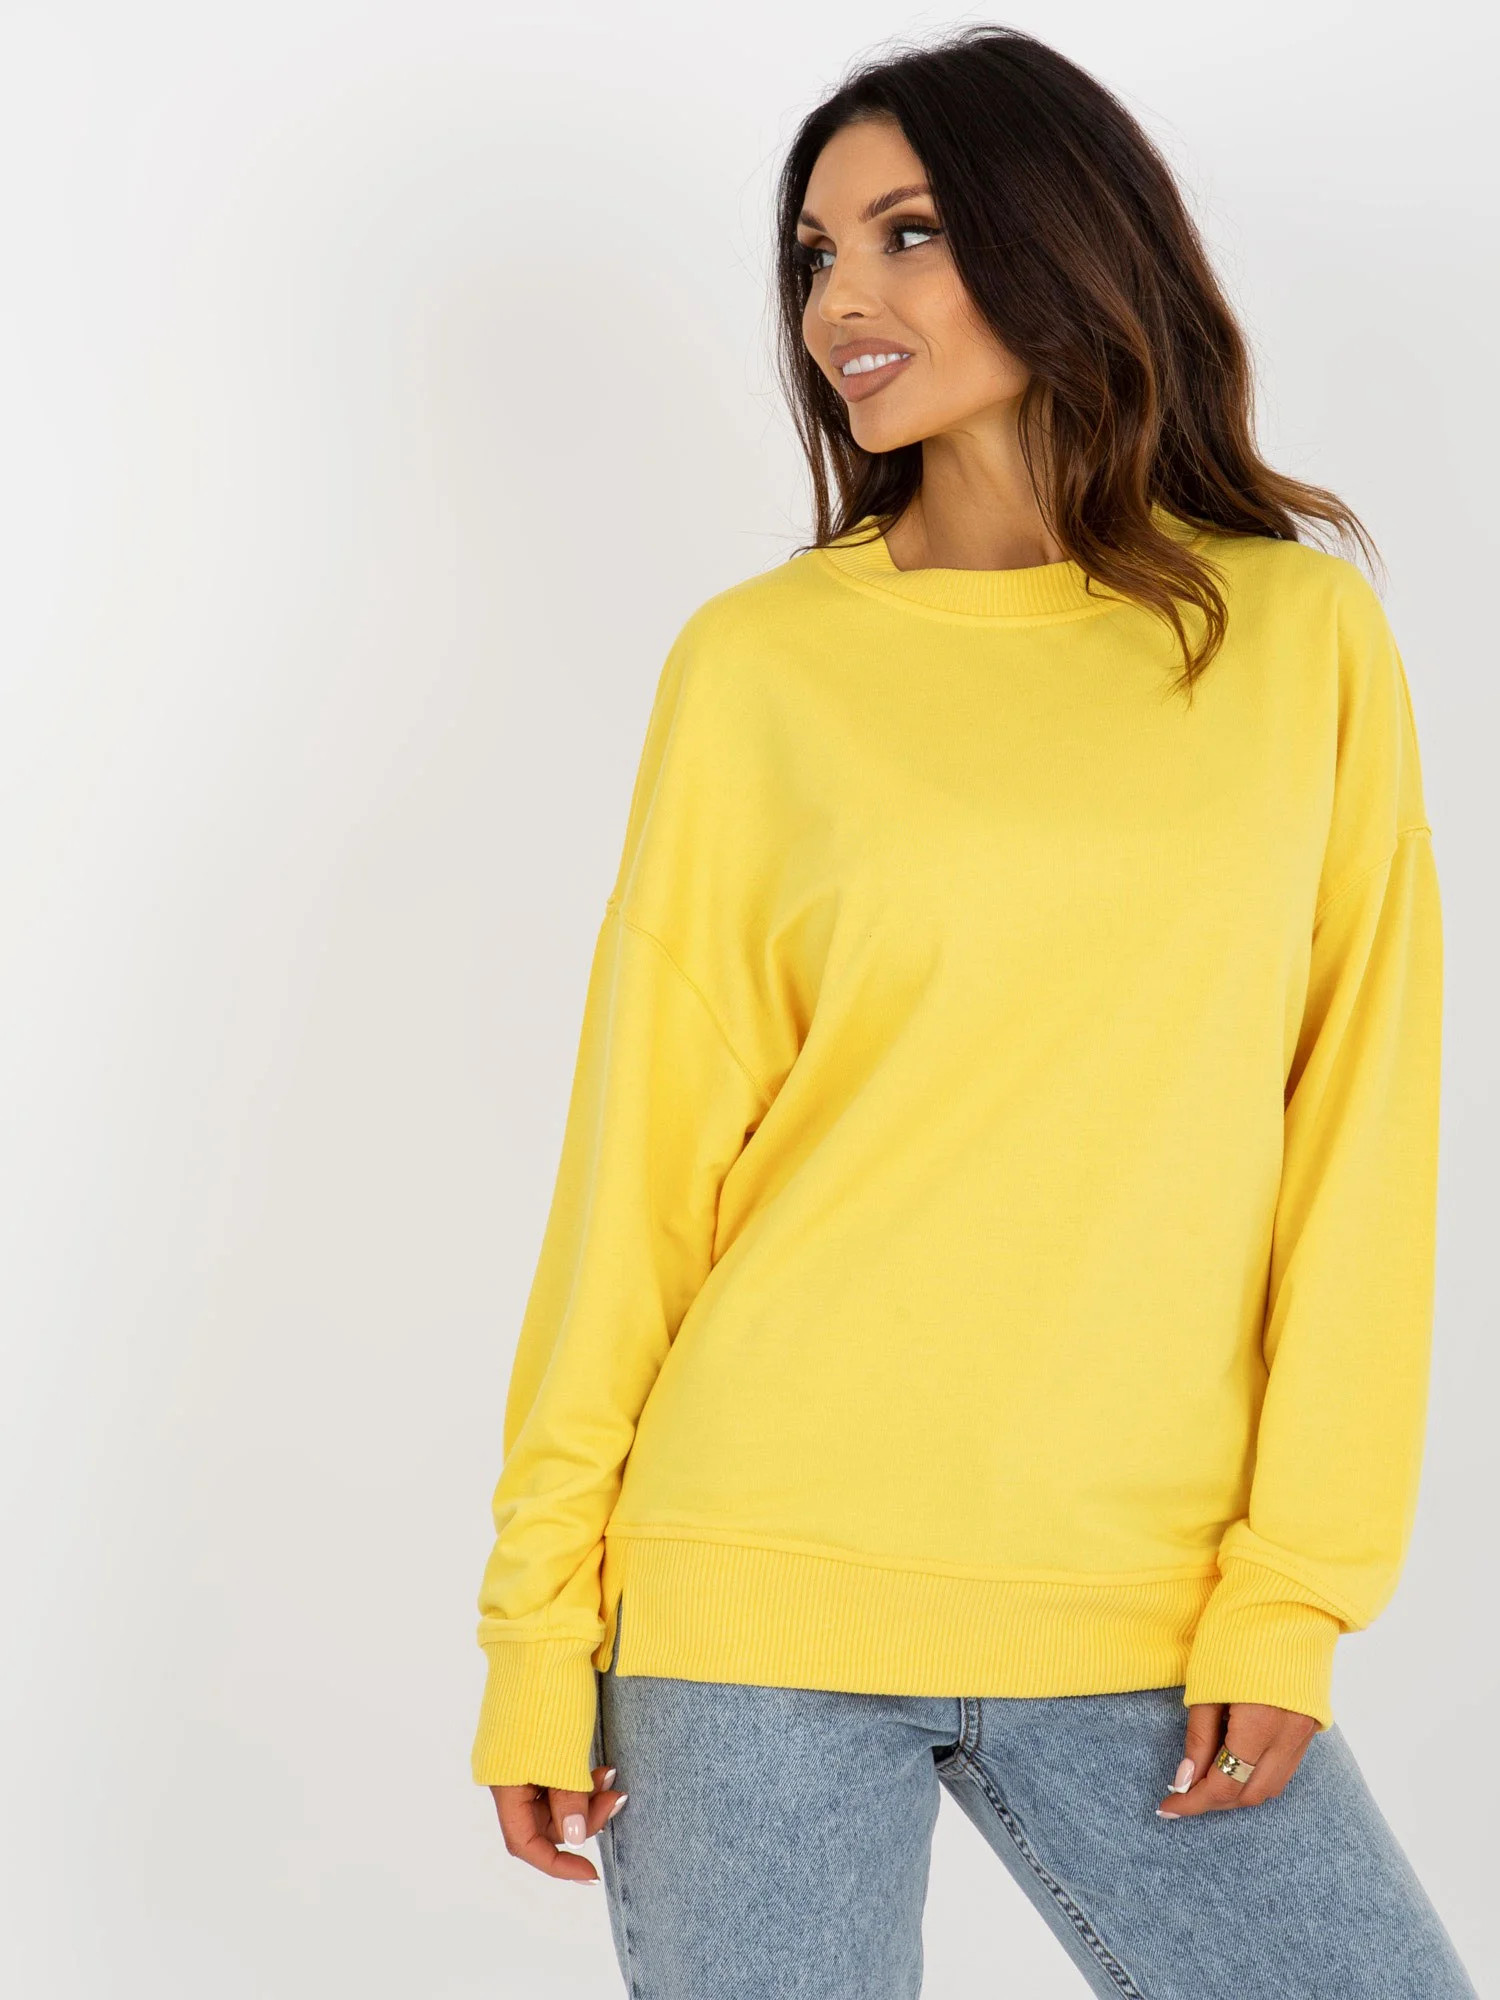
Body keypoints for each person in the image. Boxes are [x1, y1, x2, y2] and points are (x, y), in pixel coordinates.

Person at [469, 25, 1477, 1998]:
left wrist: (1293, 1590)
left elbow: (1362, 1137)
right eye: (815, 254)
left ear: (1065, 235)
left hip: (1152, 1605)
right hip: (751, 1591)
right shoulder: (761, 666)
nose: (841, 300)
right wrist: (536, 1626)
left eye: (909, 233)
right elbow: (639, 1171)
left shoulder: (1298, 640)